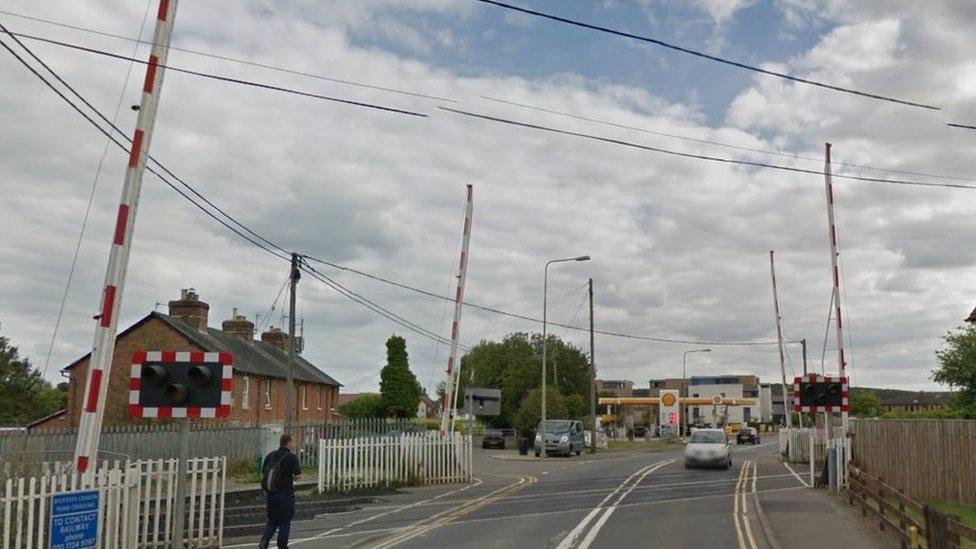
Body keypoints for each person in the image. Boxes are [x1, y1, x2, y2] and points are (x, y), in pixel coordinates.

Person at [259, 434, 302, 549]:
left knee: (272, 520)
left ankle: (264, 540)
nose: (294, 444)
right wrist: (288, 478)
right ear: (288, 443)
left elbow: (262, 475)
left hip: (271, 494)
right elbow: (298, 475)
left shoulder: (270, 455)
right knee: (284, 522)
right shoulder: (291, 457)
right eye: (293, 441)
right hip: (285, 495)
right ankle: (282, 546)